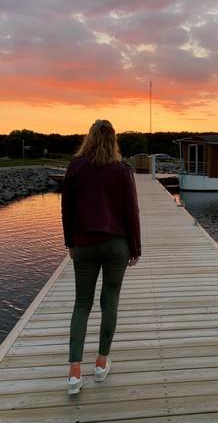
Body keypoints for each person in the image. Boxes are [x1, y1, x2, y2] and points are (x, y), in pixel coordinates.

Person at [61, 119, 141, 395]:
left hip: (84, 243)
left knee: (81, 304)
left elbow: (66, 211)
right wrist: (135, 247)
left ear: (89, 138)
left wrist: (69, 242)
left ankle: (74, 374)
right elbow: (132, 213)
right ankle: (100, 363)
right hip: (116, 245)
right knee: (110, 302)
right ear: (113, 141)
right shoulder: (121, 171)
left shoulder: (75, 167)